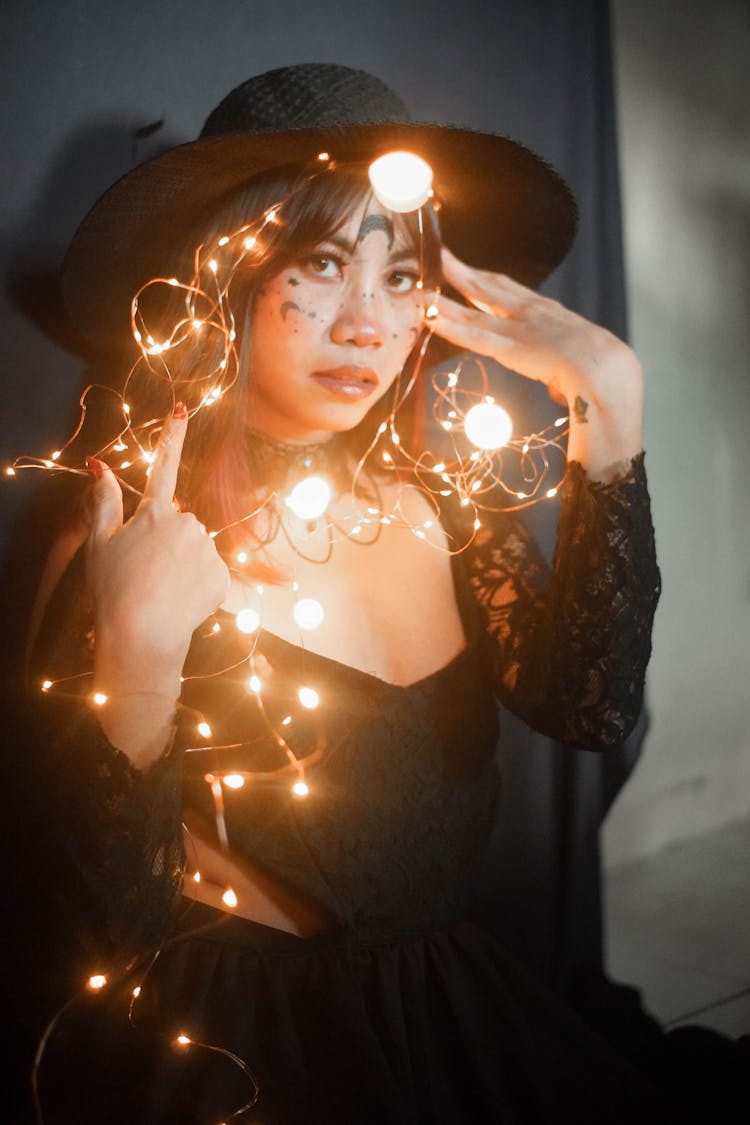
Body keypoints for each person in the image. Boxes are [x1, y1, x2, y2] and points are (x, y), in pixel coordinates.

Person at [27, 63, 668, 1123]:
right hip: (243, 1058)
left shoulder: (442, 506)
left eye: (403, 276)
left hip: (456, 1018)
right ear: (226, 277)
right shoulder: (131, 537)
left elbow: (591, 710)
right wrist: (138, 657)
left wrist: (614, 418)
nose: (369, 323)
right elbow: (93, 924)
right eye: (321, 265)